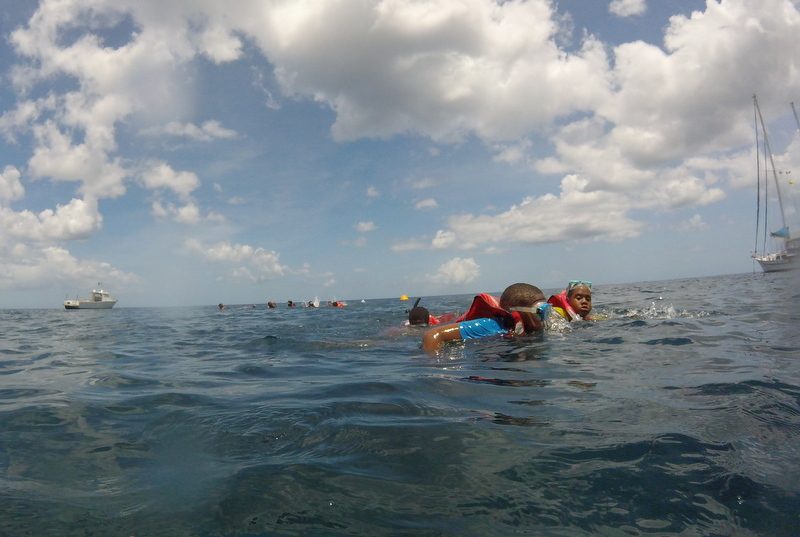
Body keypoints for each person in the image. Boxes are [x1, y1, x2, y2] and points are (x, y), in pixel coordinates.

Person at [422, 283, 549, 353]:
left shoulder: (542, 328)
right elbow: (433, 334)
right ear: (517, 313)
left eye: (546, 310)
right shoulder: (491, 325)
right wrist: (435, 365)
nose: (543, 318)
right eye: (539, 312)